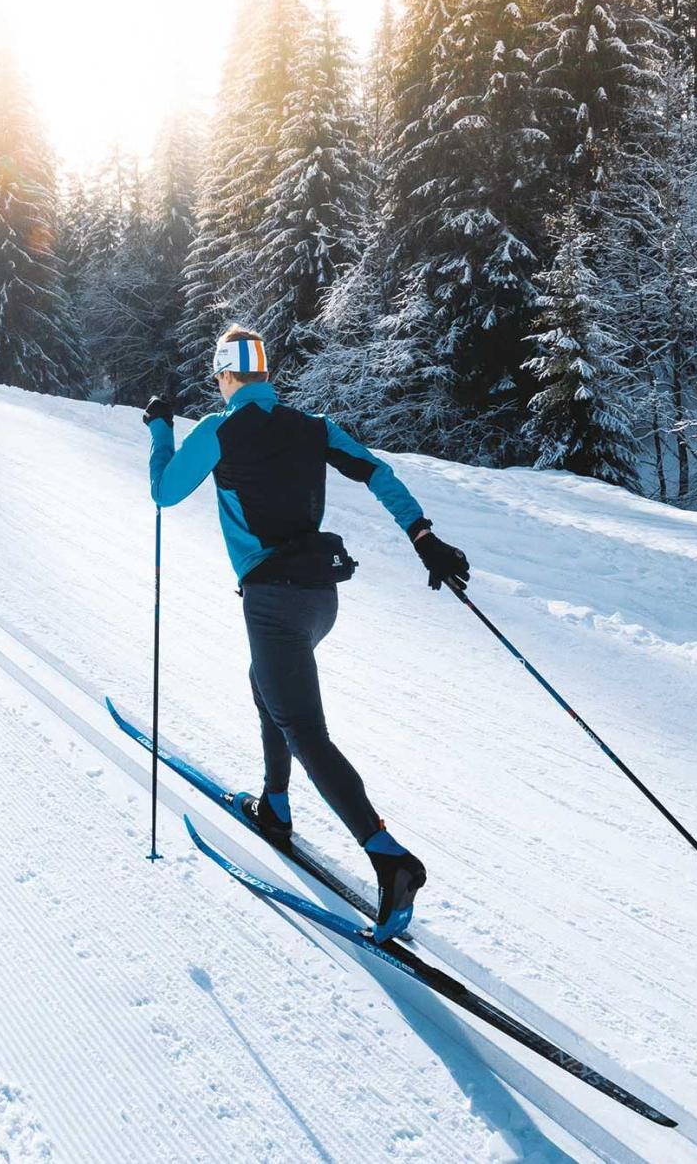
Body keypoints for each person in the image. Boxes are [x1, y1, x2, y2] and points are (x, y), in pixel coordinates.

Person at [145, 326, 471, 941]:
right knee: (266, 685)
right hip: (320, 600)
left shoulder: (218, 430)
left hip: (273, 602)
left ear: (224, 377)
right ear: (266, 375)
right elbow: (375, 472)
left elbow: (164, 493)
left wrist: (161, 428)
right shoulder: (313, 425)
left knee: (304, 730)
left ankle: (387, 855)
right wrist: (422, 536)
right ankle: (276, 804)